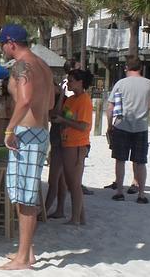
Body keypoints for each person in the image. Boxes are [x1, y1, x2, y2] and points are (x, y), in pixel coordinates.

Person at [0, 24, 53, 271]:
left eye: (2, 44)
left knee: (26, 197)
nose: (1, 49)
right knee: (23, 194)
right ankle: (26, 252)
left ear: (11, 43)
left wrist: (10, 128)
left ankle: (22, 259)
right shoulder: (42, 64)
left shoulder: (22, 65)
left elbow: (26, 99)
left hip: (27, 133)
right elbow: (49, 101)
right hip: (39, 131)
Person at [105, 55, 150, 204]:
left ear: (127, 68)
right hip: (140, 126)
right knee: (140, 161)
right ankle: (141, 194)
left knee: (120, 160)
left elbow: (110, 107)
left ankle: (120, 192)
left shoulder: (121, 84)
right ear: (141, 68)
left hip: (122, 125)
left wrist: (109, 125)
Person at [53, 68, 92, 225]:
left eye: (71, 80)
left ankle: (76, 218)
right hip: (67, 142)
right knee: (71, 181)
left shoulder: (84, 100)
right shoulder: (71, 99)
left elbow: (83, 126)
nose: (68, 83)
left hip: (77, 144)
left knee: (74, 183)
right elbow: (57, 113)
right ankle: (79, 217)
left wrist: (63, 122)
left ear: (80, 82)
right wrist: (62, 95)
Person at [44, 62, 72, 218]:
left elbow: (55, 116)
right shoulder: (55, 98)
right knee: (60, 179)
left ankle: (46, 209)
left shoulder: (62, 99)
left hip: (61, 141)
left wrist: (61, 95)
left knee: (54, 178)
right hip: (58, 140)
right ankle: (59, 209)